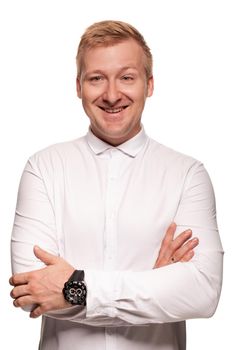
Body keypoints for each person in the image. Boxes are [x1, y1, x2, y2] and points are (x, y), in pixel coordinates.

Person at [9, 20, 223, 350]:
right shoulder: (43, 168)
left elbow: (203, 294)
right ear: (78, 86)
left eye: (126, 77)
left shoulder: (188, 175)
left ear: (149, 84)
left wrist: (74, 288)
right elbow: (30, 292)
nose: (111, 95)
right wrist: (155, 285)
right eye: (96, 79)